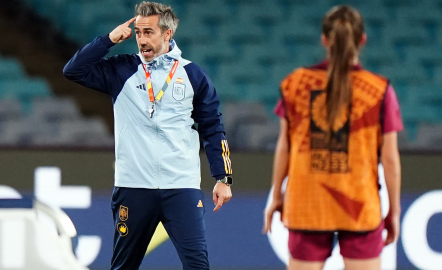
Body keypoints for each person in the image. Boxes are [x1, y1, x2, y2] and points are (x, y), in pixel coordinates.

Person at [63, 2, 233, 269]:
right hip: (133, 187)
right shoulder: (121, 70)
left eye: (148, 32)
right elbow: (72, 70)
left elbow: (212, 126)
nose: (141, 39)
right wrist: (108, 40)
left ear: (167, 34)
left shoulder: (192, 74)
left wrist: (223, 177)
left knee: (198, 265)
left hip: (181, 186)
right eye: (138, 32)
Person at [263, 5, 403, 270]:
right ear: (362, 40)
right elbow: (391, 160)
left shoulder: (295, 84)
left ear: (324, 40)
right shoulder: (379, 90)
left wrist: (277, 197)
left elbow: (285, 146)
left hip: (306, 205)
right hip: (360, 207)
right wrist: (393, 212)